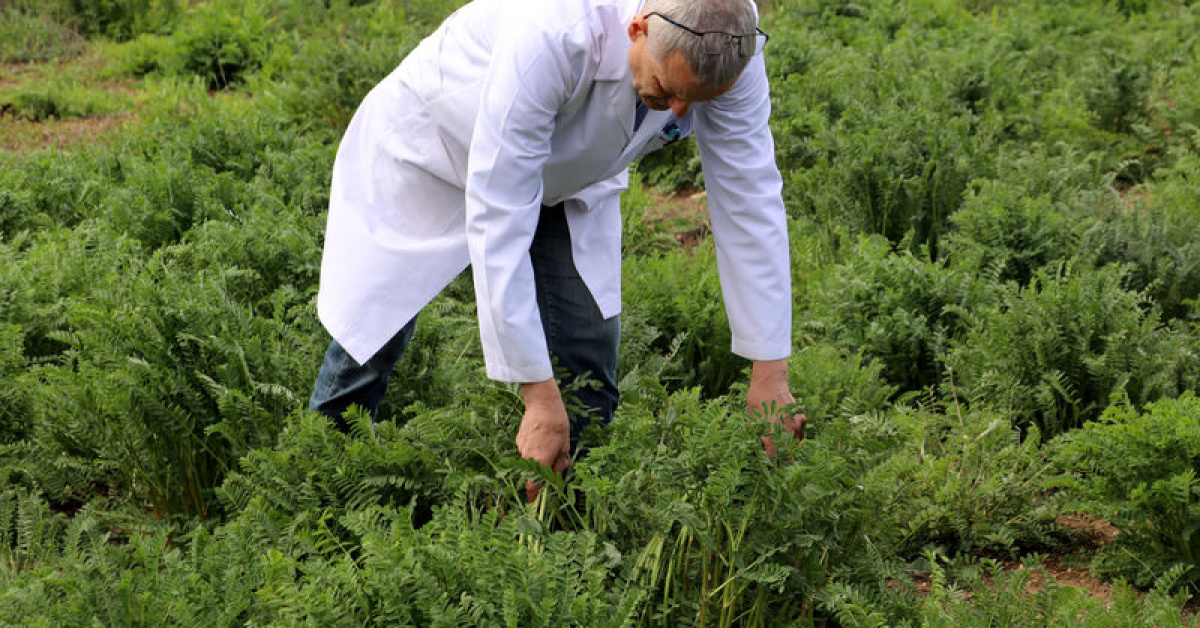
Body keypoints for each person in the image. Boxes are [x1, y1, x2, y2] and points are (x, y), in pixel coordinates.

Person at [309, 0, 804, 480]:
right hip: (437, 148)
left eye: (696, 100)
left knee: (587, 340)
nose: (678, 110)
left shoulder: (731, 40)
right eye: (668, 88)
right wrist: (538, 398)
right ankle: (319, 471)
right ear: (637, 30)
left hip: (570, 174)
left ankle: (572, 513)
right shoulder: (554, 31)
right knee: (376, 331)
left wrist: (770, 372)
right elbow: (500, 214)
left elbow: (750, 196)